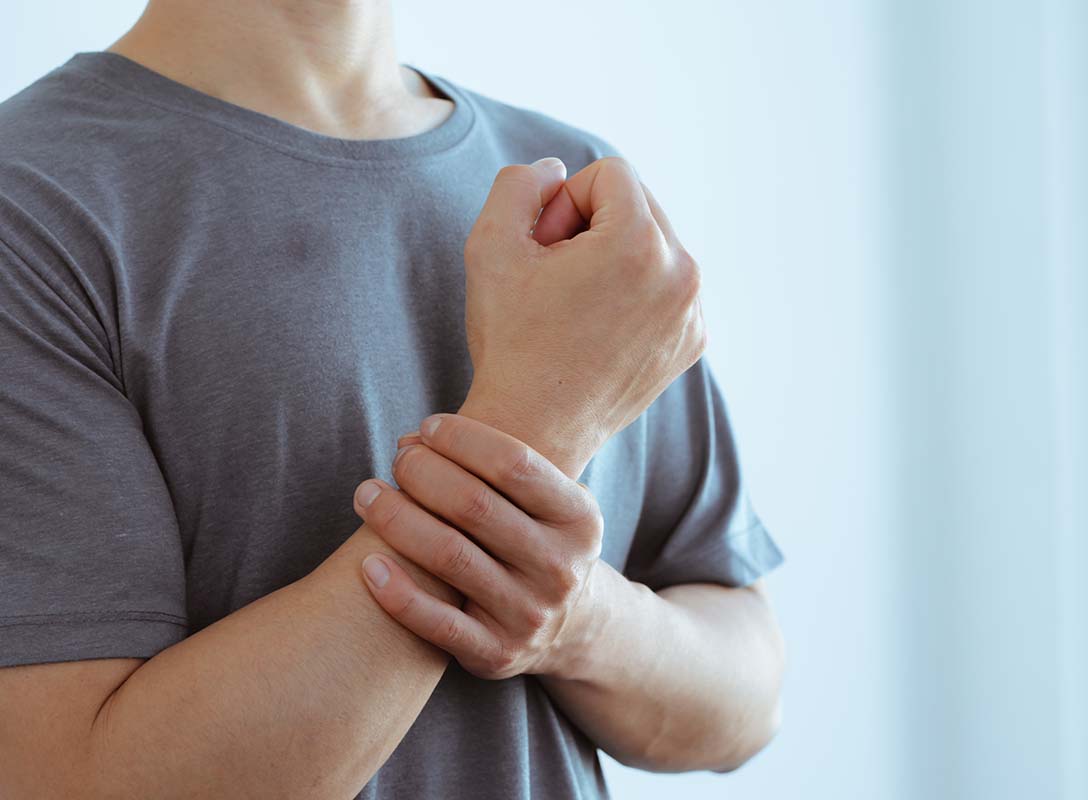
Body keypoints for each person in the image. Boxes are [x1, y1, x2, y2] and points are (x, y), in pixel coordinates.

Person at [0, 1, 786, 797]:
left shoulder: (582, 193)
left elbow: (747, 698)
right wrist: (536, 419)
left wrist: (575, 618)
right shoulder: (29, 205)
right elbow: (73, 776)